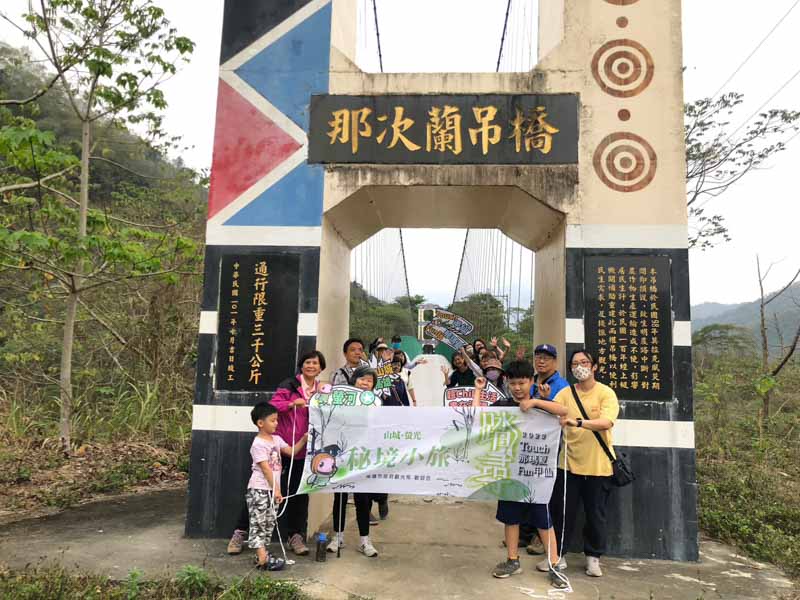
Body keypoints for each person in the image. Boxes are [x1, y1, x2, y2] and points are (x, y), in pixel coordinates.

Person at [472, 362, 568, 583]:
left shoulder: (542, 406)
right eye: (513, 383)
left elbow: (564, 411)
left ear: (531, 382)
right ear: (507, 383)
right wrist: (478, 390)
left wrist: (535, 401)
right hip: (510, 474)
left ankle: (554, 565)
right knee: (511, 519)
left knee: (543, 520)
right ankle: (512, 560)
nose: (517, 388)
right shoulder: (503, 406)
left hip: (537, 477)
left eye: (522, 383)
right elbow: (478, 416)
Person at [550, 349, 620, 578]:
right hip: (568, 464)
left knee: (595, 515)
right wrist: (539, 401)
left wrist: (578, 422)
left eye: (584, 362)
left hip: (598, 466)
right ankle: (558, 555)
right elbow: (552, 411)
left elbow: (606, 422)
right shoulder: (565, 393)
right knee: (562, 513)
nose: (579, 367)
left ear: (594, 366)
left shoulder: (606, 393)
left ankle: (593, 558)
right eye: (574, 364)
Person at [269, 350, 326, 556]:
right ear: (301, 366)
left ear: (321, 368)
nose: (311, 366)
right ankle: (241, 531)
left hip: (306, 451)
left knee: (299, 494)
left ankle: (295, 536)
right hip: (281, 448)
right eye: (308, 362)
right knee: (265, 489)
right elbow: (272, 406)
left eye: (315, 363)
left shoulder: (323, 390)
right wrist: (292, 403)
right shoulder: (289, 385)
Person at [245, 402, 309, 570]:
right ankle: (262, 558)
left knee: (268, 523)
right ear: (260, 423)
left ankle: (262, 555)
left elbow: (292, 452)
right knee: (258, 523)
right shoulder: (258, 444)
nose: (276, 423)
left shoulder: (276, 439)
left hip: (272, 490)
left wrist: (303, 439)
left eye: (277, 420)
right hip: (260, 489)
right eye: (273, 420)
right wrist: (277, 490)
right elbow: (266, 469)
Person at [327, 365, 381, 557]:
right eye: (362, 379)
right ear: (354, 380)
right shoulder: (341, 399)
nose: (365, 383)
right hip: (343, 455)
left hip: (364, 457)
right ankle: (338, 537)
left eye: (369, 381)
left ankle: (365, 541)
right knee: (340, 497)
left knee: (363, 499)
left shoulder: (377, 403)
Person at [522, 344, 571, 554]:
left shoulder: (562, 385)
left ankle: (540, 537)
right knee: (526, 485)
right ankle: (524, 532)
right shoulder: (531, 381)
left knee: (544, 491)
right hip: (529, 443)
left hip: (550, 447)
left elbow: (562, 412)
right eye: (538, 357)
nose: (541, 361)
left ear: (555, 361)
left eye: (546, 358)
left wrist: (544, 400)